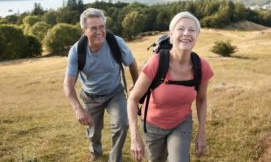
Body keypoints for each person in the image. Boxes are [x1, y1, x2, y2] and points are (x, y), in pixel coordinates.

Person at [127, 11, 213, 162]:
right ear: (171, 35)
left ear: (196, 37)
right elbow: (133, 99)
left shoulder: (202, 66)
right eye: (181, 29)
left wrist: (202, 131)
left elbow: (201, 99)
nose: (186, 33)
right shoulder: (157, 62)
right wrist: (134, 137)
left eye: (192, 30)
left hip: (181, 123)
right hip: (152, 125)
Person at [63, 8, 139, 162]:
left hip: (115, 93)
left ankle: (114, 158)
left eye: (102, 27)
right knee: (93, 132)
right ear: (84, 30)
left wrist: (137, 84)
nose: (99, 31)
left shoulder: (116, 43)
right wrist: (78, 108)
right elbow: (68, 84)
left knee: (122, 124)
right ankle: (96, 152)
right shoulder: (77, 51)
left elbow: (132, 63)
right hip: (91, 96)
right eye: (93, 28)